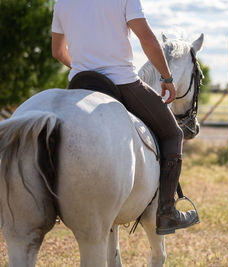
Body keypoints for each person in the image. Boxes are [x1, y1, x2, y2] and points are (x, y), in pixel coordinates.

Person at [51, 0, 199, 235]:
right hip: (121, 82)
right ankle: (167, 212)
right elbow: (148, 40)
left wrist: (84, 68)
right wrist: (167, 78)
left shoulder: (62, 2)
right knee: (173, 134)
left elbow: (57, 51)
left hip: (79, 83)